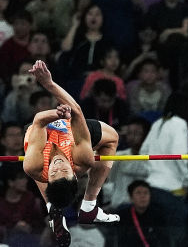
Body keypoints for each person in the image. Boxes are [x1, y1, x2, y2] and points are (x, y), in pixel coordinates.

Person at [22, 59, 120, 244]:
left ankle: (53, 209)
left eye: (54, 173)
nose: (58, 166)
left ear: (48, 177)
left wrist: (55, 114)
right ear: (74, 175)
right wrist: (49, 84)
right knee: (112, 138)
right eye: (64, 171)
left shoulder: (34, 165)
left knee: (33, 165)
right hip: (71, 135)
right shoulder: (82, 159)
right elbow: (77, 112)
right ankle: (89, 203)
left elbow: (39, 120)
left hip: (42, 132)